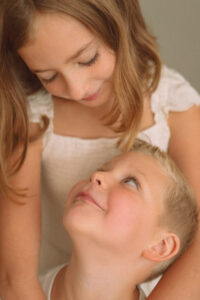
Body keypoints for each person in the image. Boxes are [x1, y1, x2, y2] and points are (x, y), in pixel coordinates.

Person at [0, 1, 200, 299]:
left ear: (119, 23)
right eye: (48, 76)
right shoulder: (31, 119)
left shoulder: (172, 105)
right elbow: (14, 277)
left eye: (87, 59)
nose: (78, 89)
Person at [40, 140, 198, 300]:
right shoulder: (20, 290)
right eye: (98, 170)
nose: (97, 176)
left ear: (159, 246)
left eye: (130, 182)